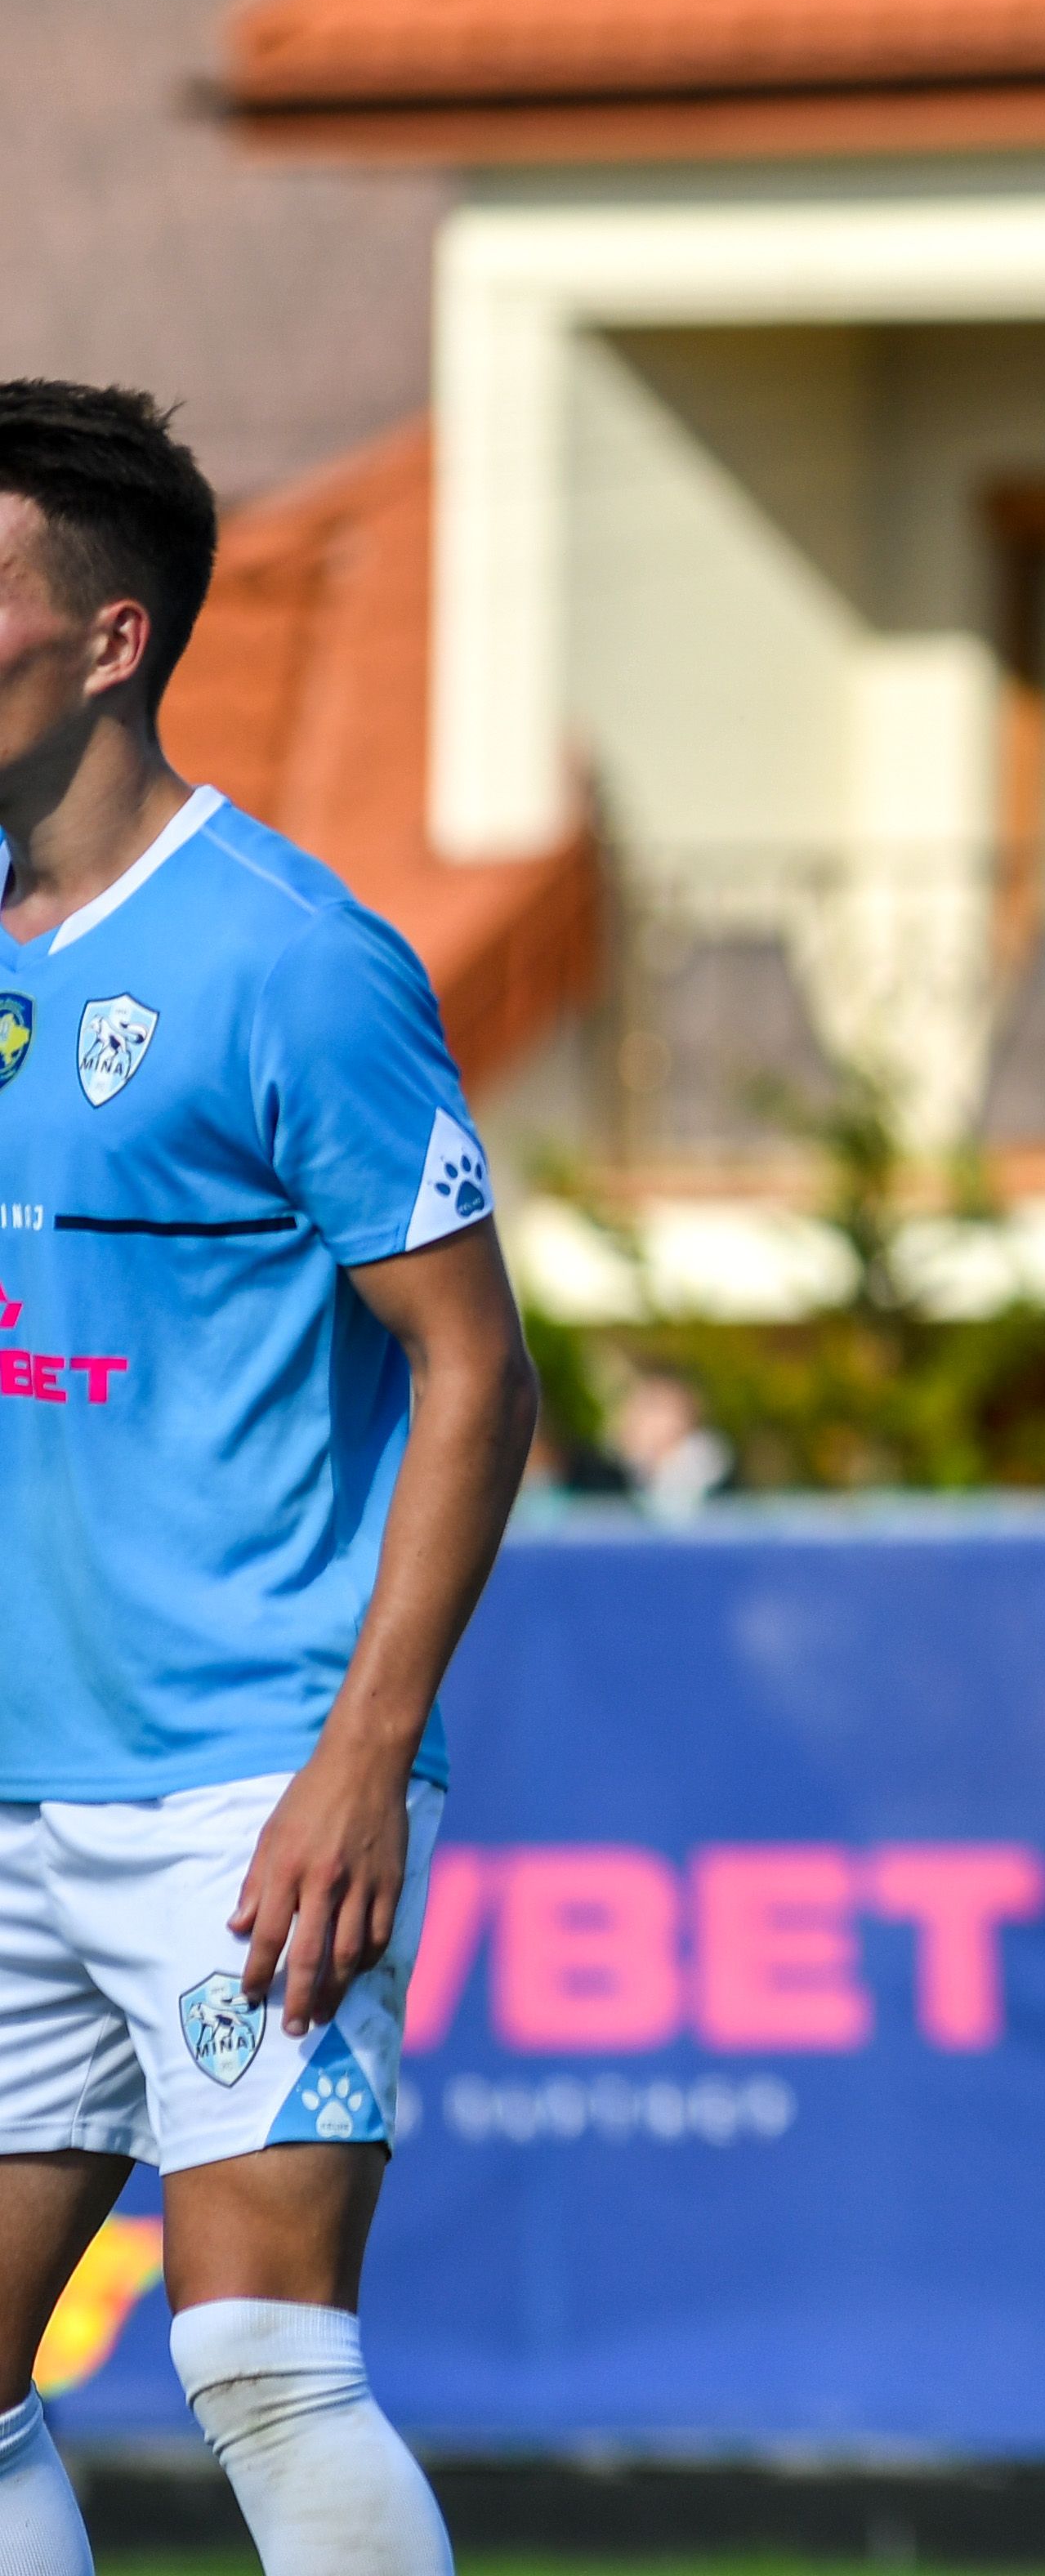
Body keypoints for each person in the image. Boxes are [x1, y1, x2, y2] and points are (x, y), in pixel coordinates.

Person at [0, 382, 537, 2576]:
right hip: (17, 1781)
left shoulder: (293, 960)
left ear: (108, 639)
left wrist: (364, 1756)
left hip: (248, 1777)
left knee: (257, 2358)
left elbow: (478, 1371)